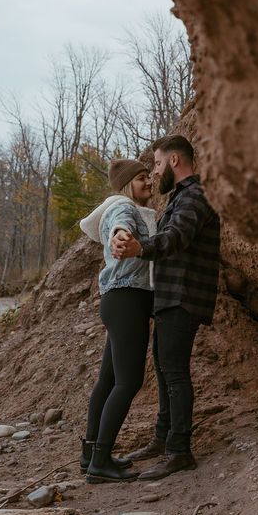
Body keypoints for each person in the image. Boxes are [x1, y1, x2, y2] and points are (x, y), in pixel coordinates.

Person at [111, 134, 221, 480]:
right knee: (163, 368)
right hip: (171, 295)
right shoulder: (181, 197)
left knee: (174, 371)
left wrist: (138, 248)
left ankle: (179, 450)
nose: (155, 172)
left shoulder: (196, 195)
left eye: (157, 164)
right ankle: (162, 438)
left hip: (184, 295)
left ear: (174, 161)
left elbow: (175, 238)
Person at [77, 158, 157, 483]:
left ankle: (91, 454)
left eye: (149, 177)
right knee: (128, 382)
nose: (149, 182)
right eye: (141, 178)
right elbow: (120, 227)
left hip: (117, 300)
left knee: (108, 381)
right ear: (126, 185)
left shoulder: (120, 206)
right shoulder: (123, 208)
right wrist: (120, 236)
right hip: (127, 300)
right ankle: (99, 463)